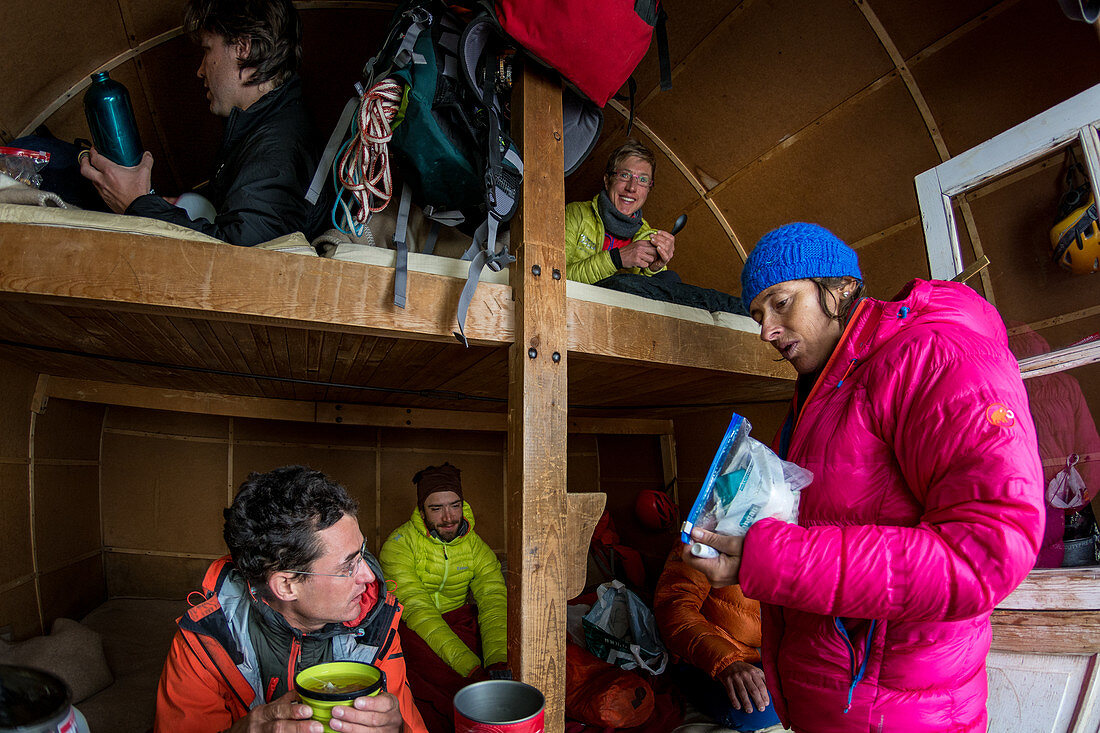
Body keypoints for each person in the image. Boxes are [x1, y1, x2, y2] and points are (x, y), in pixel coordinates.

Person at [683, 222, 1045, 732]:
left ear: (841, 287)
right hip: (839, 704)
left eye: (780, 302)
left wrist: (766, 558)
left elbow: (984, 553)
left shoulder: (932, 358)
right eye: (757, 315)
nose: (766, 331)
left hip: (900, 713)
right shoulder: (826, 389)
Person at [154, 465, 427, 733]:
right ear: (286, 586)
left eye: (362, 553)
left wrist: (398, 728)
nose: (369, 576)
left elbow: (410, 723)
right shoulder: (206, 641)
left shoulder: (376, 624)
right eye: (348, 566)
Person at [80, 0, 319, 246]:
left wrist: (137, 204)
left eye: (207, 50)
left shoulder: (277, 145)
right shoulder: (262, 125)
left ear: (243, 48)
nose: (201, 70)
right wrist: (166, 208)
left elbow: (242, 256)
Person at [379, 463, 507, 731]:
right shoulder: (398, 545)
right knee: (419, 679)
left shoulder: (475, 546)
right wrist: (471, 669)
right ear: (422, 511)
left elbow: (493, 598)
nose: (449, 517)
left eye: (455, 506)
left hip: (459, 621)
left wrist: (497, 661)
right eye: (436, 509)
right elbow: (417, 609)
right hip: (414, 628)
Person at [564, 140, 746, 315]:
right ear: (607, 180)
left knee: (670, 280)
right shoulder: (576, 214)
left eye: (642, 180)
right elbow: (553, 278)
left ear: (649, 189)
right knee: (623, 284)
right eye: (624, 175)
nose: (632, 187)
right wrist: (616, 259)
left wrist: (655, 269)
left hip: (623, 323)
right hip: (576, 311)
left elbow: (650, 301)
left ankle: (747, 312)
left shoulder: (647, 234)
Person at [654, 549, 781, 732]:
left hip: (772, 658)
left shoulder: (800, 538)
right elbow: (674, 607)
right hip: (710, 662)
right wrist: (727, 663)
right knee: (759, 708)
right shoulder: (706, 535)